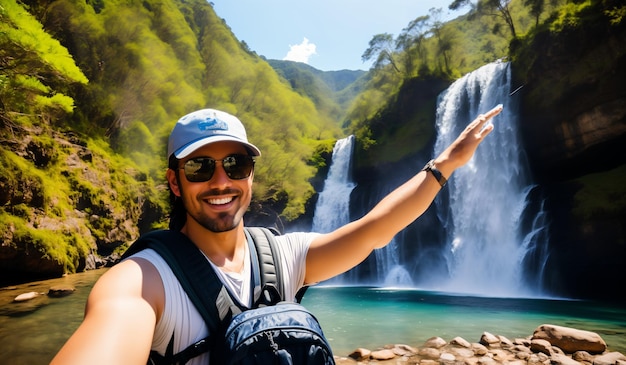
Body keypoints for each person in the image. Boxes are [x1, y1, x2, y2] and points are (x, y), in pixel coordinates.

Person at [51, 105, 503, 364]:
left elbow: (374, 231)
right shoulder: (143, 280)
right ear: (175, 182)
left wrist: (443, 167)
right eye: (199, 167)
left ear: (250, 175)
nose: (220, 181)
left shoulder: (282, 255)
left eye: (235, 164)